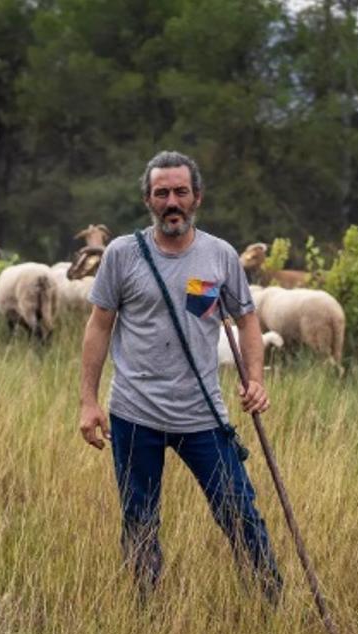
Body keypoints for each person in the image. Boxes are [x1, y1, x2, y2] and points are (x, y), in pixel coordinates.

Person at [78, 150, 282, 602]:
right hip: (134, 414)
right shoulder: (123, 255)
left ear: (197, 198)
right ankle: (147, 618)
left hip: (202, 414)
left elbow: (247, 320)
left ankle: (273, 605)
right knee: (140, 521)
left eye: (180, 192)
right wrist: (89, 402)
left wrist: (256, 379)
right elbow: (99, 325)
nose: (172, 201)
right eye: (162, 193)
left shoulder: (220, 256)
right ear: (149, 200)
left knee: (240, 514)